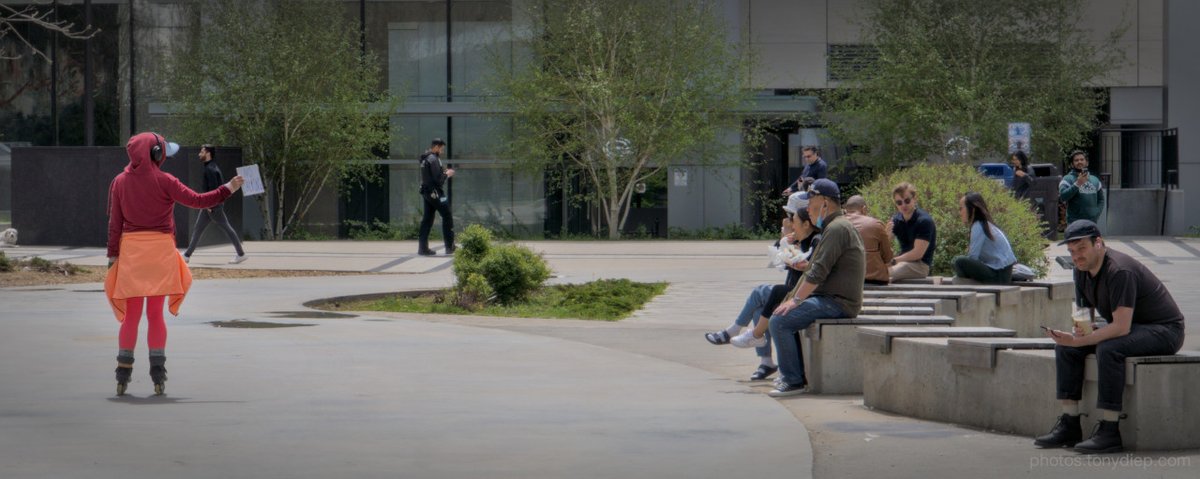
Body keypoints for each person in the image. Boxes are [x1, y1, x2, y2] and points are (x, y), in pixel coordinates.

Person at [105, 132, 244, 396]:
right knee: (155, 315)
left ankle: (122, 373)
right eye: (163, 151)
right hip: (160, 253)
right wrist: (228, 188)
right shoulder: (166, 181)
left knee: (132, 317)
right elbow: (199, 201)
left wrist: (113, 258)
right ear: (156, 154)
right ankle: (158, 374)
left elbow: (115, 225)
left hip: (132, 254)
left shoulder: (119, 182)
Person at [1035, 220, 1184, 454]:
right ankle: (1070, 423)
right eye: (1072, 251)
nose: (1077, 256)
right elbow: (1084, 316)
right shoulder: (1080, 270)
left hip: (1164, 330)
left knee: (1109, 347)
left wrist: (1081, 340)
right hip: (1132, 328)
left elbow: (1121, 328)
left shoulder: (1119, 270)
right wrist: (1075, 335)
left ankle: (1109, 430)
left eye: (1082, 248)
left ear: (1099, 243)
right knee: (1065, 348)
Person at [732, 179, 865, 397]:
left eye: (812, 208)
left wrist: (795, 301)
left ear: (825, 203)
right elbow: (812, 270)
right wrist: (791, 299)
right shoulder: (833, 227)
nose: (810, 215)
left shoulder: (838, 228)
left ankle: (793, 381)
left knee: (780, 321)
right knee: (780, 311)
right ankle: (791, 375)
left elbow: (817, 272)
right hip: (829, 297)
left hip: (838, 302)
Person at [704, 192, 821, 381]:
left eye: (792, 217)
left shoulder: (815, 238)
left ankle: (738, 333)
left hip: (800, 291)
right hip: (794, 288)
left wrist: (792, 255)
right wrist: (785, 240)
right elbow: (780, 252)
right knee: (761, 306)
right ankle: (765, 361)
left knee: (762, 294)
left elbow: (810, 266)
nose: (788, 221)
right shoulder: (798, 235)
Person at [183, 145, 247, 264]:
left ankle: (241, 254)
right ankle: (187, 255)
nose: (199, 154)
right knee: (198, 229)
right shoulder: (211, 167)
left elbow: (214, 190)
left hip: (212, 207)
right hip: (209, 205)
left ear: (208, 153)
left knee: (227, 228)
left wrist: (210, 207)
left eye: (201, 151)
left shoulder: (211, 169)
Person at [951, 192, 1017, 284]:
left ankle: (967, 285)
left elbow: (973, 257)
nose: (960, 212)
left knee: (959, 262)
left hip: (999, 275)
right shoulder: (984, 224)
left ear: (973, 209)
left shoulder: (978, 226)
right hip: (1001, 273)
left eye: (961, 208)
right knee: (961, 264)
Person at [885, 182, 937, 281]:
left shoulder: (924, 221)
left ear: (915, 199)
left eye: (907, 201)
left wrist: (894, 260)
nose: (903, 205)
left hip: (921, 265)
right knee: (873, 270)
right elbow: (884, 249)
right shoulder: (896, 220)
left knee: (885, 273)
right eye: (899, 202)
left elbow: (917, 254)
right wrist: (886, 237)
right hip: (902, 262)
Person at [417, 138, 456, 256]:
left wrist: (443, 172)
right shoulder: (433, 159)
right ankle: (450, 247)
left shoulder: (426, 158)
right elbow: (438, 181)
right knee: (447, 215)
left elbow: (432, 176)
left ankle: (422, 248)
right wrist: (447, 174)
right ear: (436, 147)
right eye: (442, 149)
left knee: (427, 219)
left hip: (427, 192)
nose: (442, 151)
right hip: (435, 193)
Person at [843, 195, 892, 285]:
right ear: (864, 209)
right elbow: (888, 258)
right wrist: (887, 237)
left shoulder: (835, 225)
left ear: (846, 210)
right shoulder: (876, 224)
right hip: (875, 280)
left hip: (845, 282)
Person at [1058, 150, 1104, 224]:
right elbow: (1063, 197)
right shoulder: (1067, 179)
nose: (1079, 162)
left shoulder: (1095, 180)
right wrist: (1077, 184)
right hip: (1074, 222)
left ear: (1087, 162)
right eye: (1076, 160)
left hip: (1092, 222)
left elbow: (1101, 200)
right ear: (1072, 164)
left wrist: (1096, 213)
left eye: (1082, 159)